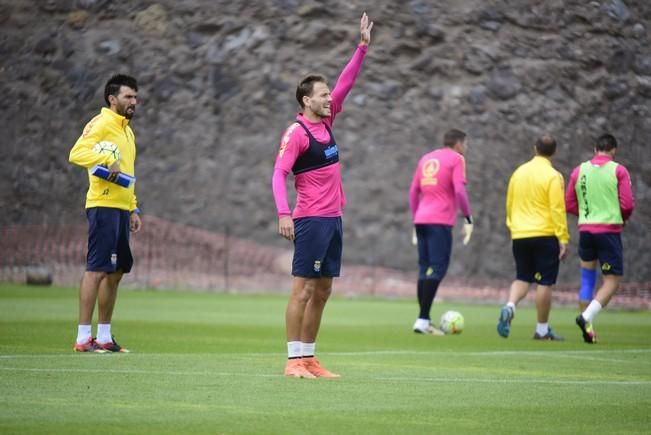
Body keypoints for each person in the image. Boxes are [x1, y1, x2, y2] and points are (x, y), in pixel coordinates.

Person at [271, 13, 373, 378]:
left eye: (329, 94)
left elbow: (346, 83)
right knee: (302, 290)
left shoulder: (327, 122)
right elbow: (278, 173)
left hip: (333, 219)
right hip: (311, 219)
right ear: (306, 100)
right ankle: (292, 361)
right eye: (323, 95)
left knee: (324, 290)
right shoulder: (296, 133)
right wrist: (284, 213)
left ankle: (310, 358)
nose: (330, 98)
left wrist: (361, 48)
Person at [69, 74, 142, 353]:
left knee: (117, 271)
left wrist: (133, 206)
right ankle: (83, 338)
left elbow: (129, 173)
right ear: (112, 99)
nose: (134, 102)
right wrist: (106, 159)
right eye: (128, 97)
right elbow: (76, 153)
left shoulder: (127, 130)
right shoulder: (100, 123)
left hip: (122, 209)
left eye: (135, 97)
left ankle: (104, 337)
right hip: (102, 205)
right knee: (97, 269)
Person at [497, 134, 569, 341]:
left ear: (534, 148)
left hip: (520, 233)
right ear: (554, 153)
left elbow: (509, 203)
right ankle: (542, 329)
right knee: (545, 282)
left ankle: (510, 305)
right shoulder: (553, 176)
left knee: (522, 277)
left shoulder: (518, 172)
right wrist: (563, 238)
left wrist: (513, 227)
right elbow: (557, 209)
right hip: (544, 233)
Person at [565, 134, 635, 344]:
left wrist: (588, 216)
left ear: (595, 148)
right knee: (612, 281)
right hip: (609, 231)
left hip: (586, 231)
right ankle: (586, 317)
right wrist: (620, 218)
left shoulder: (579, 170)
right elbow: (628, 204)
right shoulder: (618, 170)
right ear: (614, 150)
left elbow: (568, 203)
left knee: (587, 277)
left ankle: (588, 329)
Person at [408, 129, 474, 335]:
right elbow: (459, 191)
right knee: (438, 269)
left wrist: (414, 218)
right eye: (465, 144)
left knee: (424, 268)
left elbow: (413, 192)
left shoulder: (426, 158)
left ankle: (423, 319)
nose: (465, 148)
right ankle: (423, 319)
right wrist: (468, 217)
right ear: (459, 143)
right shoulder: (457, 159)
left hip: (421, 219)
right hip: (440, 221)